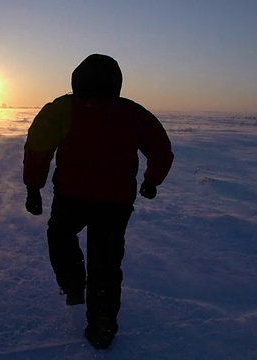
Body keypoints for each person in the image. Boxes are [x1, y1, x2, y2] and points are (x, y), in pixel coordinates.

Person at [23, 54, 174, 349]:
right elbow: (160, 149)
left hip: (72, 197)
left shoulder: (62, 108)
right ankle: (102, 325)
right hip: (114, 203)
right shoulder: (132, 112)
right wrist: (152, 181)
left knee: (61, 235)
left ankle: (74, 284)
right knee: (105, 263)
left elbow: (37, 148)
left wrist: (33, 188)